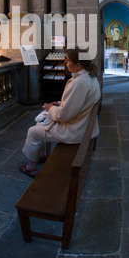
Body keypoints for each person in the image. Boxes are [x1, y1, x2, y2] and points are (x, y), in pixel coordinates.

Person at [19, 47, 101, 178]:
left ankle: (31, 168)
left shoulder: (80, 83)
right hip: (82, 125)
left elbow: (64, 115)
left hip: (75, 130)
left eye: (68, 60)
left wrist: (49, 108)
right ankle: (44, 154)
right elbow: (76, 104)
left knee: (33, 131)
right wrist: (60, 104)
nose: (65, 62)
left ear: (78, 65)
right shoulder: (88, 76)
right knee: (42, 123)